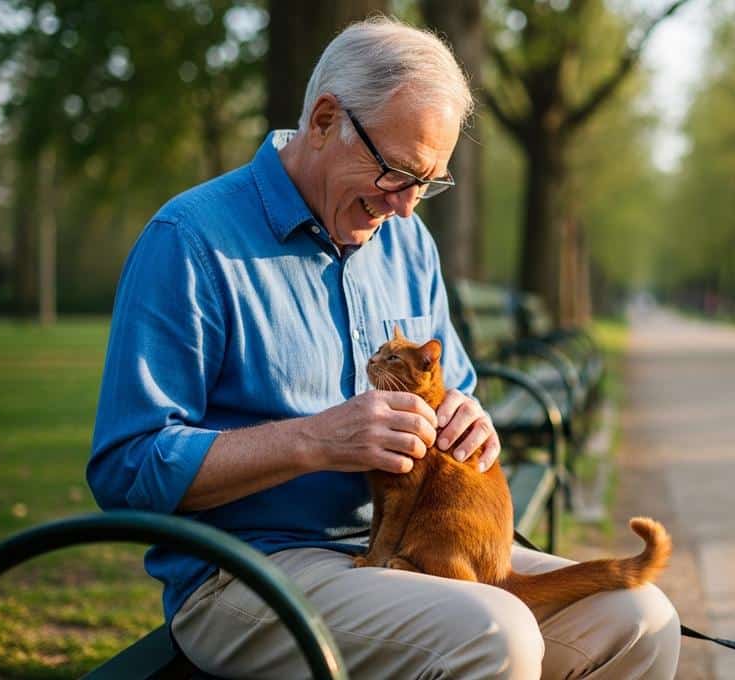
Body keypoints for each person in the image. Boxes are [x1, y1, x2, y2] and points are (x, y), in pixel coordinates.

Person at [86, 16, 679, 679]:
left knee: (642, 616)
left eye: (427, 184)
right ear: (323, 120)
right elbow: (127, 467)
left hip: (411, 544)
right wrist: (312, 440)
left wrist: (469, 421)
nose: (404, 208)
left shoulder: (406, 240)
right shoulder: (191, 240)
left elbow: (452, 383)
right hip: (249, 569)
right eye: (397, 172)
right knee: (494, 634)